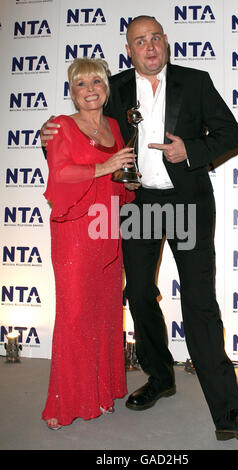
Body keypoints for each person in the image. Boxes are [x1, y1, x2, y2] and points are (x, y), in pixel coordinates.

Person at [40, 16, 238, 440]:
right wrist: (47, 132)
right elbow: (88, 132)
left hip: (187, 203)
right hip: (137, 204)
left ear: (166, 42)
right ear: (128, 50)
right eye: (138, 41)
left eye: (155, 39)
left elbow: (232, 134)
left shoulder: (195, 81)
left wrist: (192, 149)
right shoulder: (116, 88)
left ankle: (228, 412)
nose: (148, 47)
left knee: (199, 302)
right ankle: (160, 376)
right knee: (140, 293)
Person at [41, 58, 135, 430]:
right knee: (75, 313)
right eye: (81, 84)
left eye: (97, 81)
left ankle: (100, 392)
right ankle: (61, 405)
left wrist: (126, 181)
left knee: (106, 312)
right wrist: (105, 165)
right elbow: (60, 174)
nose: (90, 88)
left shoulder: (114, 125)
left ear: (106, 88)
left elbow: (118, 177)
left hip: (107, 227)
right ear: (73, 91)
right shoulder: (60, 126)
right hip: (75, 231)